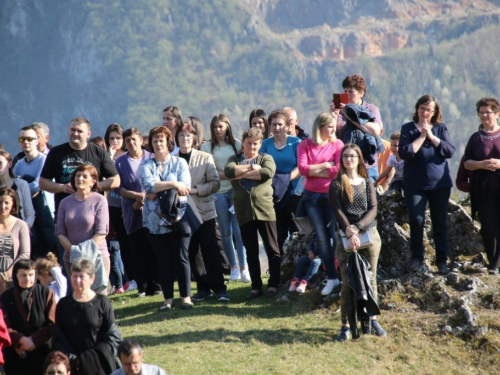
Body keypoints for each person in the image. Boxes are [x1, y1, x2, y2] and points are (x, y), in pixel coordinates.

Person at [329, 143, 386, 341]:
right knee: (347, 281)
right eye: (345, 156)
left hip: (369, 236)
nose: (349, 159)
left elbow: (373, 209)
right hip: (345, 238)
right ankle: (345, 325)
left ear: (359, 159)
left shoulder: (367, 182)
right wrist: (349, 230)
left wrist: (358, 227)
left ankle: (373, 319)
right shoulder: (336, 183)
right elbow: (337, 210)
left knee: (371, 278)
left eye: (353, 156)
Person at [399, 95, 455, 275]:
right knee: (416, 220)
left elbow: (449, 150)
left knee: (439, 222)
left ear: (434, 112)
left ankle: (442, 260)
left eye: (428, 110)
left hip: (439, 185)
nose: (424, 112)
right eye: (422, 108)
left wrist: (431, 135)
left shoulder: (440, 128)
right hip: (414, 184)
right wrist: (422, 136)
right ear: (417, 109)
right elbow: (405, 153)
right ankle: (417, 257)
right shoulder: (407, 129)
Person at [140, 126, 193, 310]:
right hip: (153, 222)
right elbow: (149, 187)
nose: (158, 143)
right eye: (154, 140)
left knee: (181, 258)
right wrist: (173, 184)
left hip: (177, 218)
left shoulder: (180, 163)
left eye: (161, 140)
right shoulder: (146, 165)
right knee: (163, 260)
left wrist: (162, 188)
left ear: (169, 142)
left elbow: (185, 188)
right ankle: (168, 300)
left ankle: (186, 297)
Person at [224, 128, 281, 300]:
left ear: (260, 144)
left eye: (255, 143)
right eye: (249, 143)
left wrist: (241, 172)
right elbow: (228, 172)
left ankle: (273, 284)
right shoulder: (233, 159)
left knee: (272, 249)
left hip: (265, 210)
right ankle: (256, 287)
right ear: (242, 143)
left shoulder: (266, 158)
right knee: (251, 250)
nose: (252, 146)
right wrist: (250, 167)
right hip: (244, 211)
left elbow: (267, 173)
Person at [176, 123, 229, 302]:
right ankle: (202, 287)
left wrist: (196, 190)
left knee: (211, 249)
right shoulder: (172, 160)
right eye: (182, 135)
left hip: (204, 210)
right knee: (192, 251)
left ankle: (220, 288)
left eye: (188, 136)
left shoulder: (205, 157)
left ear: (194, 139)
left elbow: (215, 183)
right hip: (182, 213)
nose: (185, 139)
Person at [296, 112, 343, 295]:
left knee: (336, 236)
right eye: (329, 126)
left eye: (334, 127)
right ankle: (332, 278)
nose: (333, 130)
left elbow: (338, 169)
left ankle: (343, 276)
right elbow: (302, 169)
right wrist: (325, 165)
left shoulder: (337, 144)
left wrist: (314, 171)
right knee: (322, 239)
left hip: (332, 196)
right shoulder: (305, 145)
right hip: (312, 198)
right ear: (320, 127)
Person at [201, 115, 249, 282]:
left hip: (236, 192)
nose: (218, 130)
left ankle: (244, 267)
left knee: (239, 231)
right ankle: (233, 267)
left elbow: (242, 167)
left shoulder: (236, 144)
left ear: (227, 126)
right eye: (215, 127)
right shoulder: (207, 147)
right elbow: (211, 173)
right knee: (225, 231)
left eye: (220, 126)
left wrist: (230, 174)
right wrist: (231, 174)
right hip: (218, 193)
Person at [52, 258, 120, 375]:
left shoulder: (102, 302)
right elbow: (58, 338)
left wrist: (94, 357)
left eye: (81, 277)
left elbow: (113, 335)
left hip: (101, 364)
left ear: (92, 279)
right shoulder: (63, 304)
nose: (77, 280)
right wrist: (73, 360)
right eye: (74, 276)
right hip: (74, 366)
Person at [114, 128, 161, 297]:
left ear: (141, 140)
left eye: (134, 139)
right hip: (131, 212)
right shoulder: (119, 163)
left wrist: (145, 199)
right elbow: (118, 188)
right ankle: (143, 287)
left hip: (153, 209)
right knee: (138, 250)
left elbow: (159, 181)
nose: (131, 143)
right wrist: (136, 197)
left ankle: (157, 286)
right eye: (128, 141)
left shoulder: (152, 157)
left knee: (153, 249)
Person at [39, 117, 120, 213]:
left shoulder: (99, 152)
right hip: (66, 212)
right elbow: (43, 182)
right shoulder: (56, 152)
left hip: (93, 211)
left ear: (88, 134)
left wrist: (92, 187)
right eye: (72, 130)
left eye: (80, 131)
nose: (75, 133)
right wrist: (63, 188)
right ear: (68, 131)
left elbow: (115, 181)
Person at [55, 165, 110, 290]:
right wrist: (74, 252)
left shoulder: (100, 200)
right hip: (71, 258)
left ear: (93, 182)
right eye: (78, 176)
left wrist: (83, 253)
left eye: (85, 176)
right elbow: (60, 232)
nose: (80, 178)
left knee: (98, 299)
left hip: (97, 256)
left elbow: (101, 232)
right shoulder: (65, 202)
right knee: (77, 298)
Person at [0, 259, 56, 375]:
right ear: (16, 276)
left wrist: (33, 340)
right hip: (15, 355)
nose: (28, 279)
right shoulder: (5, 297)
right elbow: (4, 325)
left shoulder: (46, 293)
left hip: (42, 353)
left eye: (31, 275)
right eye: (23, 275)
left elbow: (52, 323)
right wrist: (21, 340)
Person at [464, 97, 500, 274]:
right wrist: (482, 164)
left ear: (497, 114)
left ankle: (495, 264)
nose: (485, 115)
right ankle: (492, 258)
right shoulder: (476, 138)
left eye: (488, 112)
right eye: (481, 112)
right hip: (483, 191)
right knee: (488, 225)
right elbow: (467, 163)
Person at [260, 110, 301, 255]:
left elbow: (301, 167)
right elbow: (261, 165)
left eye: (280, 124)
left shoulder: (296, 143)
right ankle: (279, 270)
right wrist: (277, 182)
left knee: (297, 233)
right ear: (269, 127)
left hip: (293, 194)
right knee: (278, 235)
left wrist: (285, 179)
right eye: (274, 125)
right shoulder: (265, 144)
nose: (277, 128)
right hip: (273, 195)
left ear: (288, 126)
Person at [14, 126, 58, 259]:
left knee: (51, 246)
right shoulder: (19, 164)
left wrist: (22, 187)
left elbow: (38, 185)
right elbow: (13, 187)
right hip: (28, 212)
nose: (26, 142)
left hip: (47, 212)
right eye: (22, 139)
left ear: (36, 141)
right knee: (34, 248)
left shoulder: (44, 160)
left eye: (30, 139)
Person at [331, 74, 383, 181]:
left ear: (361, 93)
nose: (347, 95)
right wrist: (333, 117)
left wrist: (350, 116)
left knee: (369, 195)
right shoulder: (340, 111)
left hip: (366, 164)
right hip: (345, 164)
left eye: (351, 91)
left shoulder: (370, 109)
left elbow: (375, 130)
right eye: (345, 91)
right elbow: (333, 138)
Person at [104, 124, 136, 292]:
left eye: (118, 137)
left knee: (134, 241)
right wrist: (108, 156)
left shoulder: (127, 157)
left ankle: (139, 276)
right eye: (111, 138)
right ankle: (129, 278)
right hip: (113, 204)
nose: (115, 141)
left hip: (130, 203)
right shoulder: (105, 157)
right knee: (122, 242)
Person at [0, 187, 30, 294]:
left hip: (13, 278)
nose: (3, 206)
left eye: (6, 203)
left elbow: (25, 254)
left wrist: (8, 274)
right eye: (0, 202)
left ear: (13, 204)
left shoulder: (21, 225)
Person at [0, 151, 35, 231]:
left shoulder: (22, 184)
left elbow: (30, 213)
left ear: (10, 164)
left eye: (0, 163)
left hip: (21, 229)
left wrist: (24, 230)